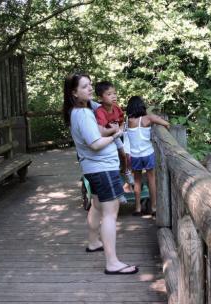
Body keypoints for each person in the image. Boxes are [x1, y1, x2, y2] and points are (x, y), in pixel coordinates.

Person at [63, 72, 138, 275]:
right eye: (84, 86)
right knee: (110, 213)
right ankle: (112, 262)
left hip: (93, 168)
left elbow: (101, 105)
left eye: (90, 85)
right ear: (74, 92)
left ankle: (94, 242)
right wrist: (117, 134)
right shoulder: (84, 114)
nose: (89, 89)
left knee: (96, 206)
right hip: (102, 167)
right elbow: (95, 144)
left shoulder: (80, 109)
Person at [126, 96, 170, 217]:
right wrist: (165, 126)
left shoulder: (128, 120)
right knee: (151, 179)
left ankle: (137, 208)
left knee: (137, 181)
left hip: (135, 155)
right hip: (148, 153)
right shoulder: (148, 118)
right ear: (142, 106)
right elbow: (166, 123)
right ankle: (154, 207)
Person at [94, 81, 134, 188]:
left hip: (115, 136)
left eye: (114, 93)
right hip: (103, 139)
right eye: (109, 94)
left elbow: (122, 122)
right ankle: (114, 180)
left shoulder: (117, 108)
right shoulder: (100, 111)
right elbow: (101, 132)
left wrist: (119, 130)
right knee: (111, 160)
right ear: (100, 98)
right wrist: (114, 130)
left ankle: (125, 172)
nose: (113, 96)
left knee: (124, 154)